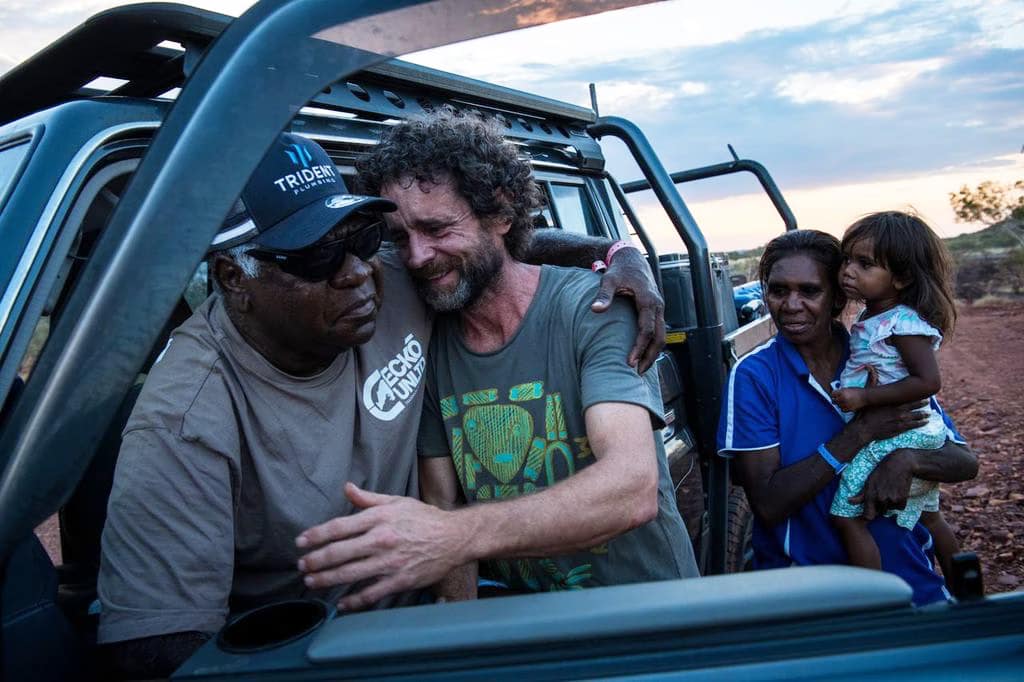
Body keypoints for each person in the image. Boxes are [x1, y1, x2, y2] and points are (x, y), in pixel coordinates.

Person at [97, 132, 663, 677]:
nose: (359, 272)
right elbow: (157, 649)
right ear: (233, 278)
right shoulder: (185, 420)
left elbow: (478, 244)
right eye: (316, 256)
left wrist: (616, 252)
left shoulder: (398, 273)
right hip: (309, 657)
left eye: (364, 238)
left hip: (462, 626)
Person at [294, 113, 698, 608]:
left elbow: (632, 488)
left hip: (647, 623)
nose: (418, 256)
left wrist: (451, 535)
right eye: (400, 237)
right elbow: (445, 502)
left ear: (501, 214)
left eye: (437, 227)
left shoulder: (592, 309)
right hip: (522, 631)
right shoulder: (426, 341)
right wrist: (462, 637)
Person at [716, 229, 977, 606]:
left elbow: (963, 461)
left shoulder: (880, 355)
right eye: (778, 290)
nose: (790, 305)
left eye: (809, 291)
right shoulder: (756, 376)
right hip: (810, 598)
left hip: (913, 586)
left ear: (838, 296)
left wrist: (908, 460)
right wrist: (860, 433)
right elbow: (769, 504)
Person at [829, 211, 960, 573]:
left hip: (902, 435)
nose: (848, 271)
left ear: (901, 278)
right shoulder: (874, 318)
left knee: (847, 517)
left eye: (865, 264)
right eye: (846, 260)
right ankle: (967, 590)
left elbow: (928, 381)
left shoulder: (902, 323)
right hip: (906, 432)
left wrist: (864, 398)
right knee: (930, 517)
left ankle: (877, 603)